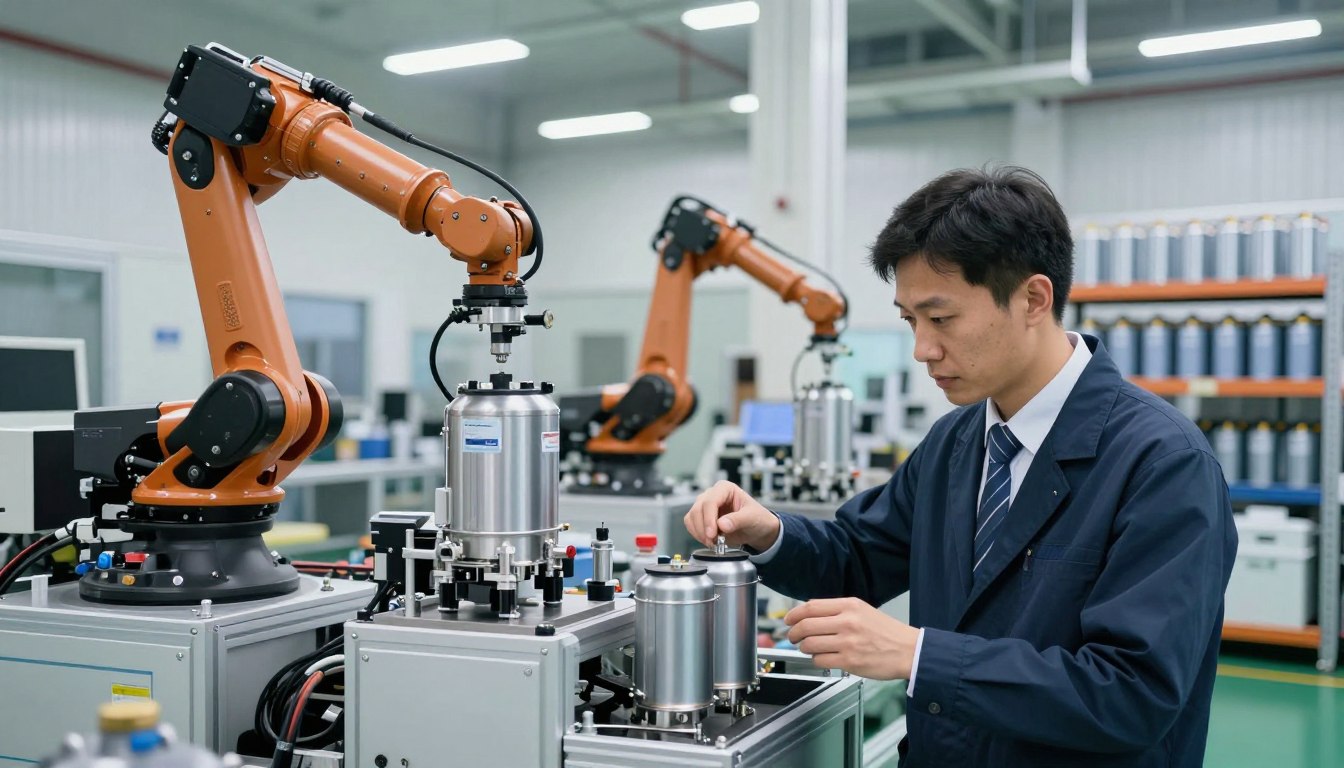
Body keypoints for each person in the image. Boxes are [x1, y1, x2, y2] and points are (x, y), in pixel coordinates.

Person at [685, 166, 1237, 767]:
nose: (923, 348)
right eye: (910, 321)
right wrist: (770, 533)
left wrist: (921, 657)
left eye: (941, 319)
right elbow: (862, 555)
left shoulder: (1163, 463)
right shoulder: (958, 442)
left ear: (1033, 298)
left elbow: (1133, 694)